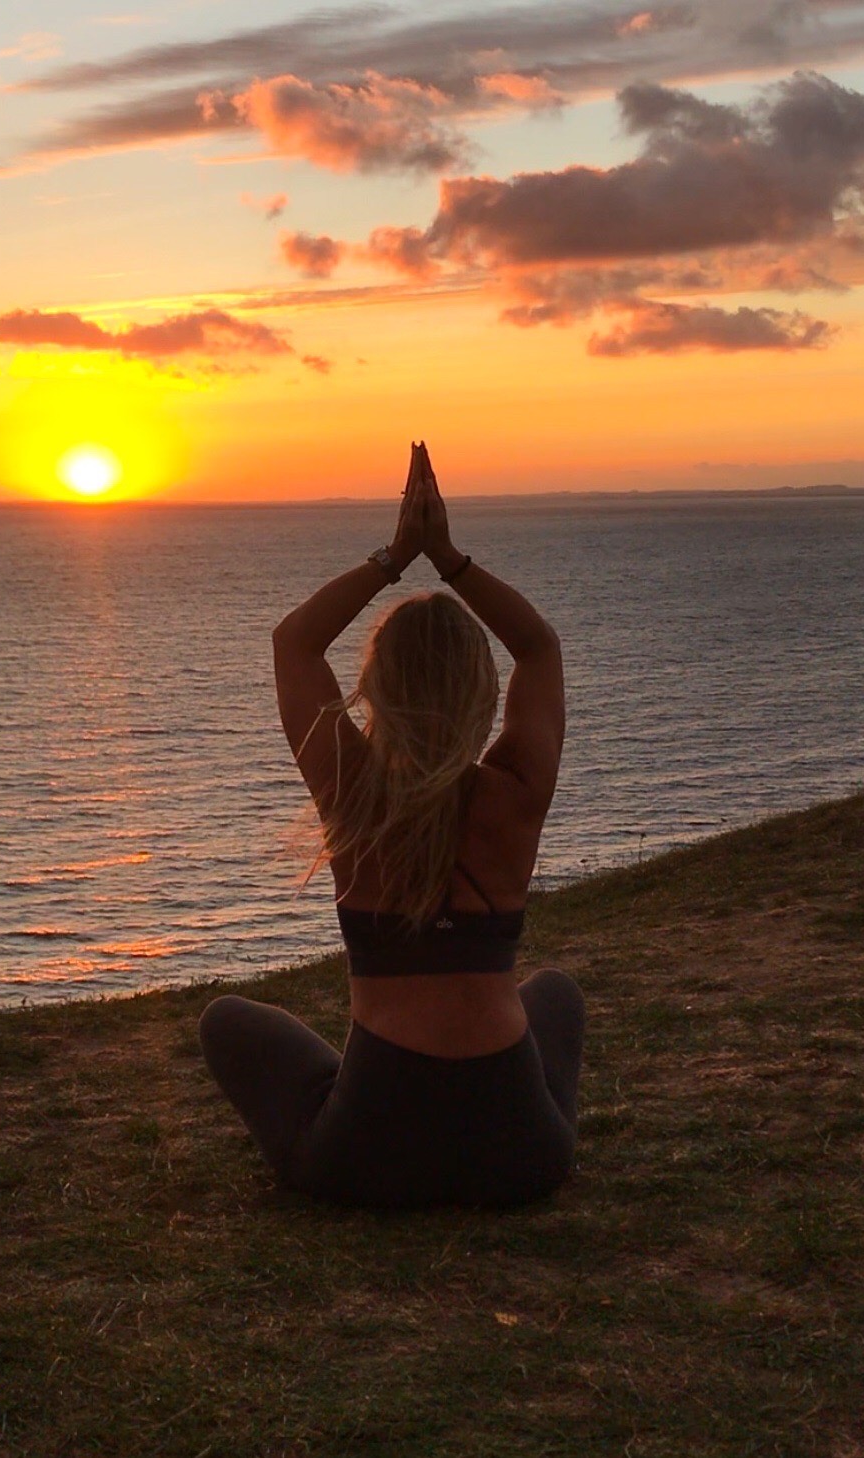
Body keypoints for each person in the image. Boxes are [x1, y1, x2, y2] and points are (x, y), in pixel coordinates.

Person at [199, 442, 584, 1208]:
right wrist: (449, 560)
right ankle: (519, 1124)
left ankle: (355, 1110)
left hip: (365, 1160)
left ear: (374, 689)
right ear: (483, 695)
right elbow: (538, 647)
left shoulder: (352, 792)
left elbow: (294, 642)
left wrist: (395, 557)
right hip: (522, 1159)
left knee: (226, 1021)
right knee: (554, 993)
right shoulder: (516, 792)